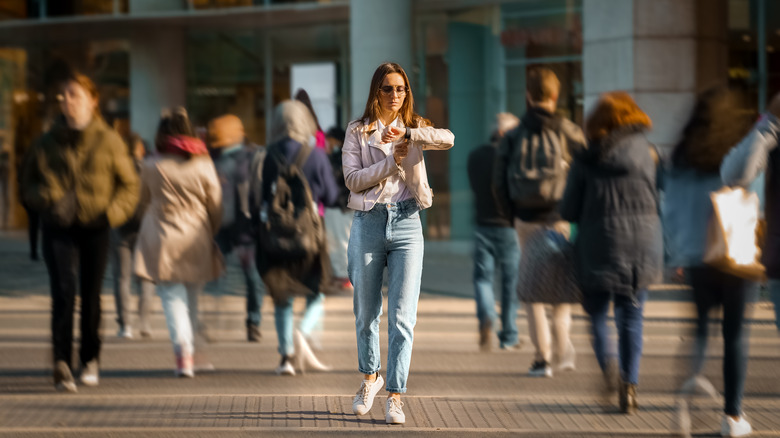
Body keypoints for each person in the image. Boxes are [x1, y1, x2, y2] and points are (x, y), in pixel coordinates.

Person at [344, 62, 454, 424]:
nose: (396, 95)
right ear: (376, 92)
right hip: (369, 222)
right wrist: (392, 162)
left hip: (407, 223)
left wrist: (408, 134)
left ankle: (395, 395)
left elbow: (449, 138)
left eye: (401, 88)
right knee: (366, 312)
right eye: (388, 88)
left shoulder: (415, 126)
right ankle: (370, 378)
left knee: (403, 317)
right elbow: (352, 180)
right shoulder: (358, 130)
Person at [21, 71, 140, 392]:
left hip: (95, 227)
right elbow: (27, 183)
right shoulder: (46, 142)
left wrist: (111, 214)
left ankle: (90, 359)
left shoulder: (109, 140)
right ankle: (61, 362)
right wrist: (46, 199)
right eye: (63, 96)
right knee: (62, 292)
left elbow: (130, 186)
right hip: (57, 226)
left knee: (90, 295)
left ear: (92, 101)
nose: (67, 101)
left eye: (74, 94)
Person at [559, 91, 662, 414]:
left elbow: (568, 210)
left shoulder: (585, 159)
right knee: (632, 316)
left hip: (597, 246)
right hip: (642, 245)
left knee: (597, 316)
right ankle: (630, 387)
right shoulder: (650, 153)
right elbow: (659, 197)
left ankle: (609, 370)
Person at [493, 68, 585, 376]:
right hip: (561, 218)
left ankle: (542, 358)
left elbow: (498, 182)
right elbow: (586, 171)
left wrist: (511, 215)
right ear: (555, 96)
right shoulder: (568, 130)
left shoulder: (514, 135)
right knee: (561, 283)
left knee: (532, 289)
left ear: (528, 96)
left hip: (526, 219)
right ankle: (563, 348)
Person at [134, 108, 223, 378]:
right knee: (193, 294)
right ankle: (191, 349)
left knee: (171, 295)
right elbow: (216, 204)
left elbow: (141, 201)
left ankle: (183, 351)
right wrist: (211, 229)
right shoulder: (204, 163)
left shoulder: (151, 165)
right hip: (196, 234)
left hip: (162, 235)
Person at [711, 91, 780, 436]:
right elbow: (734, 174)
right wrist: (768, 129)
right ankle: (733, 415)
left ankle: (733, 415)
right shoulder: (769, 140)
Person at [255, 100, 339, 376]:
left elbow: (260, 196)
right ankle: (302, 332)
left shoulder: (268, 156)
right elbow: (331, 195)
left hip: (276, 237)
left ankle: (286, 359)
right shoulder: (315, 155)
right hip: (309, 237)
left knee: (283, 298)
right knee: (316, 292)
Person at [208, 114, 265, 342]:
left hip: (229, 227)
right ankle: (252, 322)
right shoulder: (248, 157)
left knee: (223, 276)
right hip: (241, 228)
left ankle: (217, 321)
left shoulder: (225, 161)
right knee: (251, 277)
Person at [468, 112, 522, 351]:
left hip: (482, 224)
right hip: (509, 227)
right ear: (504, 133)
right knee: (510, 283)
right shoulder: (513, 157)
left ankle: (487, 315)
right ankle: (509, 336)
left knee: (482, 278)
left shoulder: (475, 156)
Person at [110, 133, 155, 339]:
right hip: (145, 227)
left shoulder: (115, 169)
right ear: (141, 149)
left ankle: (125, 325)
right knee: (146, 276)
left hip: (120, 227)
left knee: (122, 277)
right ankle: (144, 323)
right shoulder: (150, 168)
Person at [323, 126, 353, 292]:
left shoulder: (338, 158)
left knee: (340, 242)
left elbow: (332, 179)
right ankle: (343, 276)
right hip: (346, 205)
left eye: (329, 140)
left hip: (339, 206)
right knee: (343, 241)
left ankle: (344, 277)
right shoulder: (351, 155)